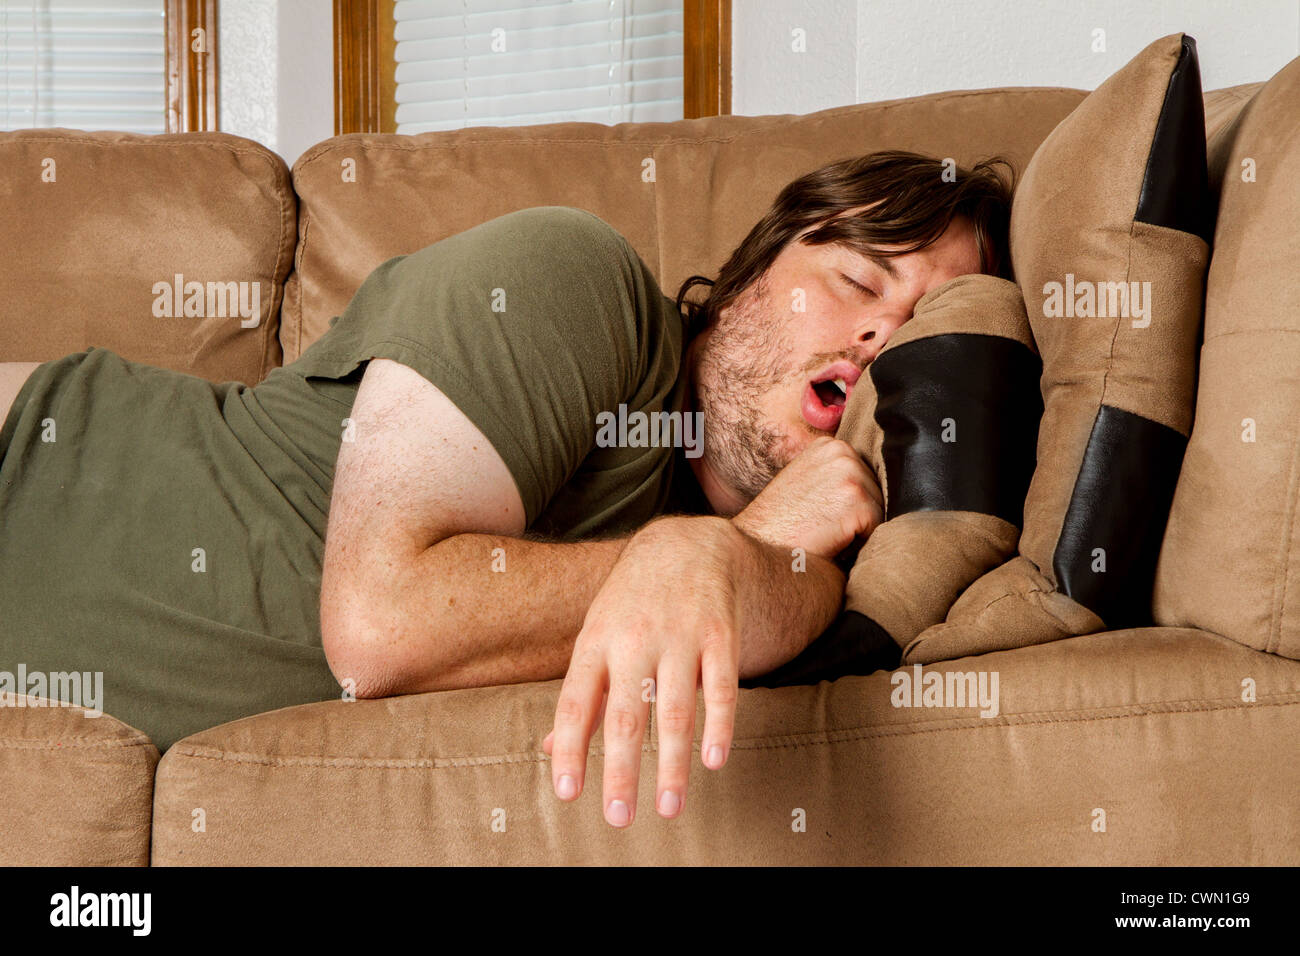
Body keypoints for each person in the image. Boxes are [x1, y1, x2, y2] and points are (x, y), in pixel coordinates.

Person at [0, 150, 1012, 828]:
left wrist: (742, 547)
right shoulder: (578, 281)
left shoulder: (795, 553)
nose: (878, 337)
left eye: (918, 325)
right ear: (749, 277)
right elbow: (380, 622)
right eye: (856, 281)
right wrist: (723, 541)